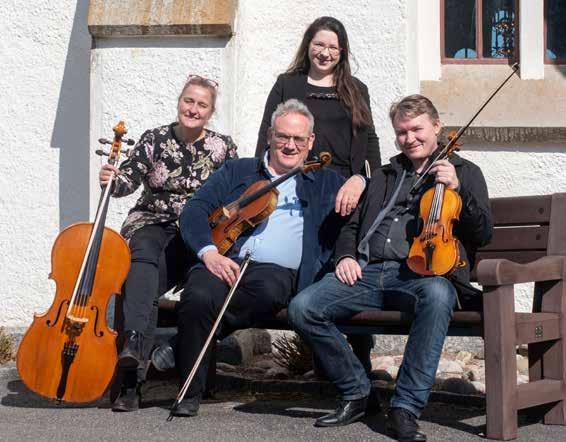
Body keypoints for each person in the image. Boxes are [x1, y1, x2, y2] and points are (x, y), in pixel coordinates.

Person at [288, 94, 492, 441]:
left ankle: (405, 408)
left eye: (417, 129)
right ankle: (359, 392)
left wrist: (458, 189)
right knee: (302, 308)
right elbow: (351, 226)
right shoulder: (384, 175)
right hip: (368, 272)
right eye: (401, 132)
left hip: (420, 275)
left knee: (438, 295)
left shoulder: (464, 172)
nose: (409, 138)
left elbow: (482, 233)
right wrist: (347, 256)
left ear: (436, 126)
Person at [170, 99, 345, 417]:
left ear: (311, 143)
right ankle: (189, 395)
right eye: (282, 137)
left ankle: (181, 345)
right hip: (225, 256)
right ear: (269, 136)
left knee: (267, 291)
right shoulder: (239, 170)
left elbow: (365, 198)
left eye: (298, 139)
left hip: (276, 273)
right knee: (198, 295)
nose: (289, 146)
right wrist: (209, 253)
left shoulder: (324, 180)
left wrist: (361, 180)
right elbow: (195, 209)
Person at [98, 74, 238, 412]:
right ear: (179, 102)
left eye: (201, 104)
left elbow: (234, 194)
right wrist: (110, 180)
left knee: (143, 286)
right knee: (142, 257)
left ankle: (134, 375)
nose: (193, 108)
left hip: (196, 233)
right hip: (152, 221)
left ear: (211, 111)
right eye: (188, 101)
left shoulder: (223, 147)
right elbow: (126, 182)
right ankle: (133, 357)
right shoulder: (154, 139)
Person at [256, 15, 381, 372]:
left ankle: (359, 351)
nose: (325, 53)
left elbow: (370, 142)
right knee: (312, 263)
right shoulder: (287, 83)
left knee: (346, 266)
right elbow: (268, 135)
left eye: (333, 47)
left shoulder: (355, 88)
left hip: (345, 187)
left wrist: (363, 180)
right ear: (308, 45)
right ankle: (324, 357)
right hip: (302, 184)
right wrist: (262, 185)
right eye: (319, 44)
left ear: (342, 53)